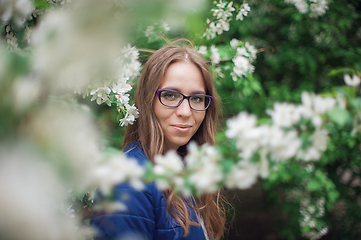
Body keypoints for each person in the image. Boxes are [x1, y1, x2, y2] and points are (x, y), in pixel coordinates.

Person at [91, 43, 226, 240]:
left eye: (197, 98)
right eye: (170, 95)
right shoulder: (127, 183)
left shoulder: (184, 168)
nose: (185, 112)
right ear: (147, 100)